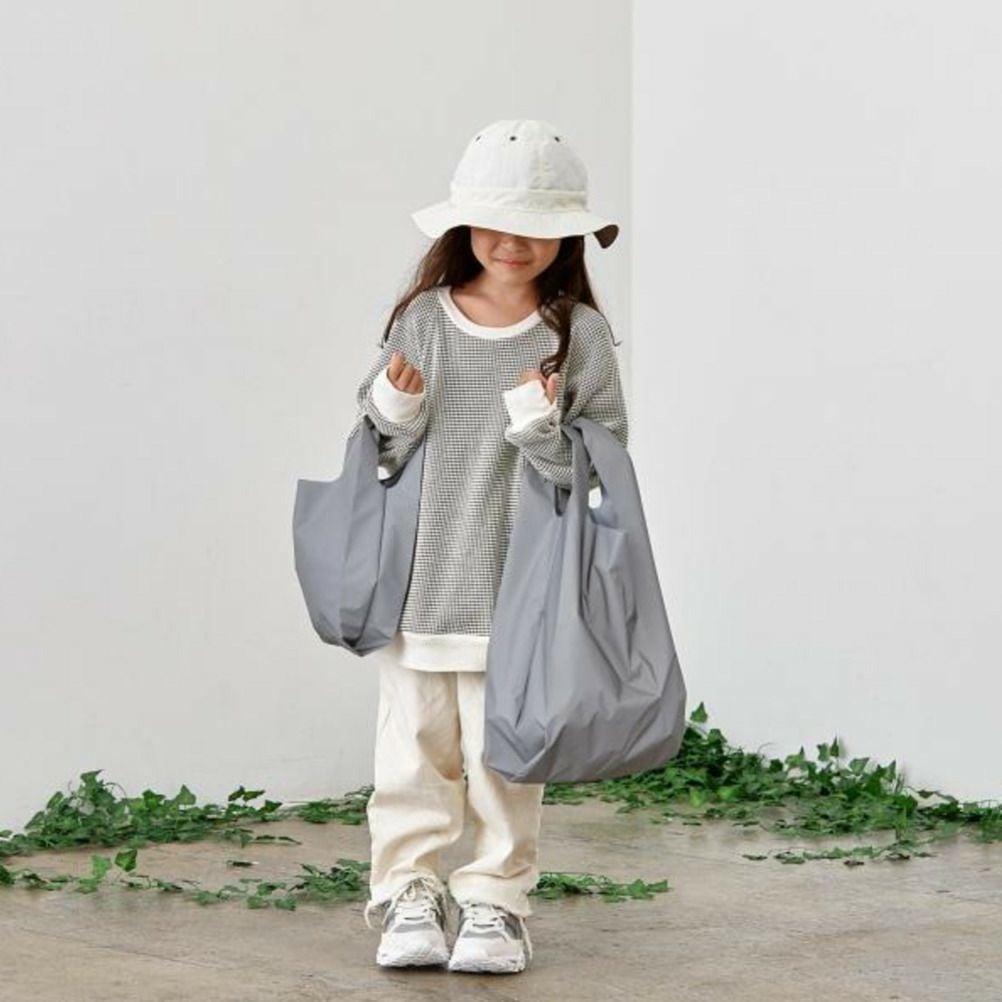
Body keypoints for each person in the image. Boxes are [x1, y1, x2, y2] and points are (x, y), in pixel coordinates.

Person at [351, 118, 629, 974]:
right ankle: (408, 891)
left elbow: (602, 469)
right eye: (495, 224)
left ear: (567, 235)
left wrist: (540, 426)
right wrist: (393, 411)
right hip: (418, 584)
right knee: (411, 754)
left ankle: (495, 903)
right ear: (463, 226)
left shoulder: (577, 335)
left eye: (536, 227)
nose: (512, 244)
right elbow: (379, 451)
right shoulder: (424, 321)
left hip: (519, 590)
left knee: (506, 760)